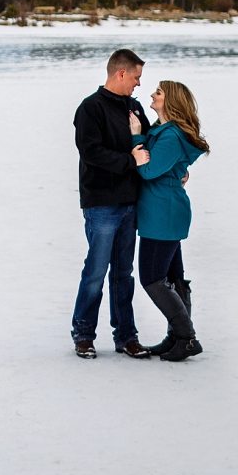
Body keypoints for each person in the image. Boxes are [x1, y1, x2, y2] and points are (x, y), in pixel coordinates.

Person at [71, 48, 152, 359]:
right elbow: (91, 152)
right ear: (121, 73)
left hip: (130, 201)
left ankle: (126, 337)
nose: (139, 84)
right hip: (102, 203)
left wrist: (175, 170)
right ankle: (83, 334)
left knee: (123, 273)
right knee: (95, 270)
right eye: (136, 77)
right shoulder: (90, 109)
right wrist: (129, 161)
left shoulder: (133, 106)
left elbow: (147, 144)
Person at [130, 80, 210, 361]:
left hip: (162, 213)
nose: (152, 93)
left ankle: (187, 338)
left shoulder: (170, 136)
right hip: (163, 210)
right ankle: (176, 337)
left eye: (159, 92)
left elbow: (149, 170)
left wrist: (136, 137)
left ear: (171, 101)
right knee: (173, 278)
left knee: (152, 278)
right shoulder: (163, 131)